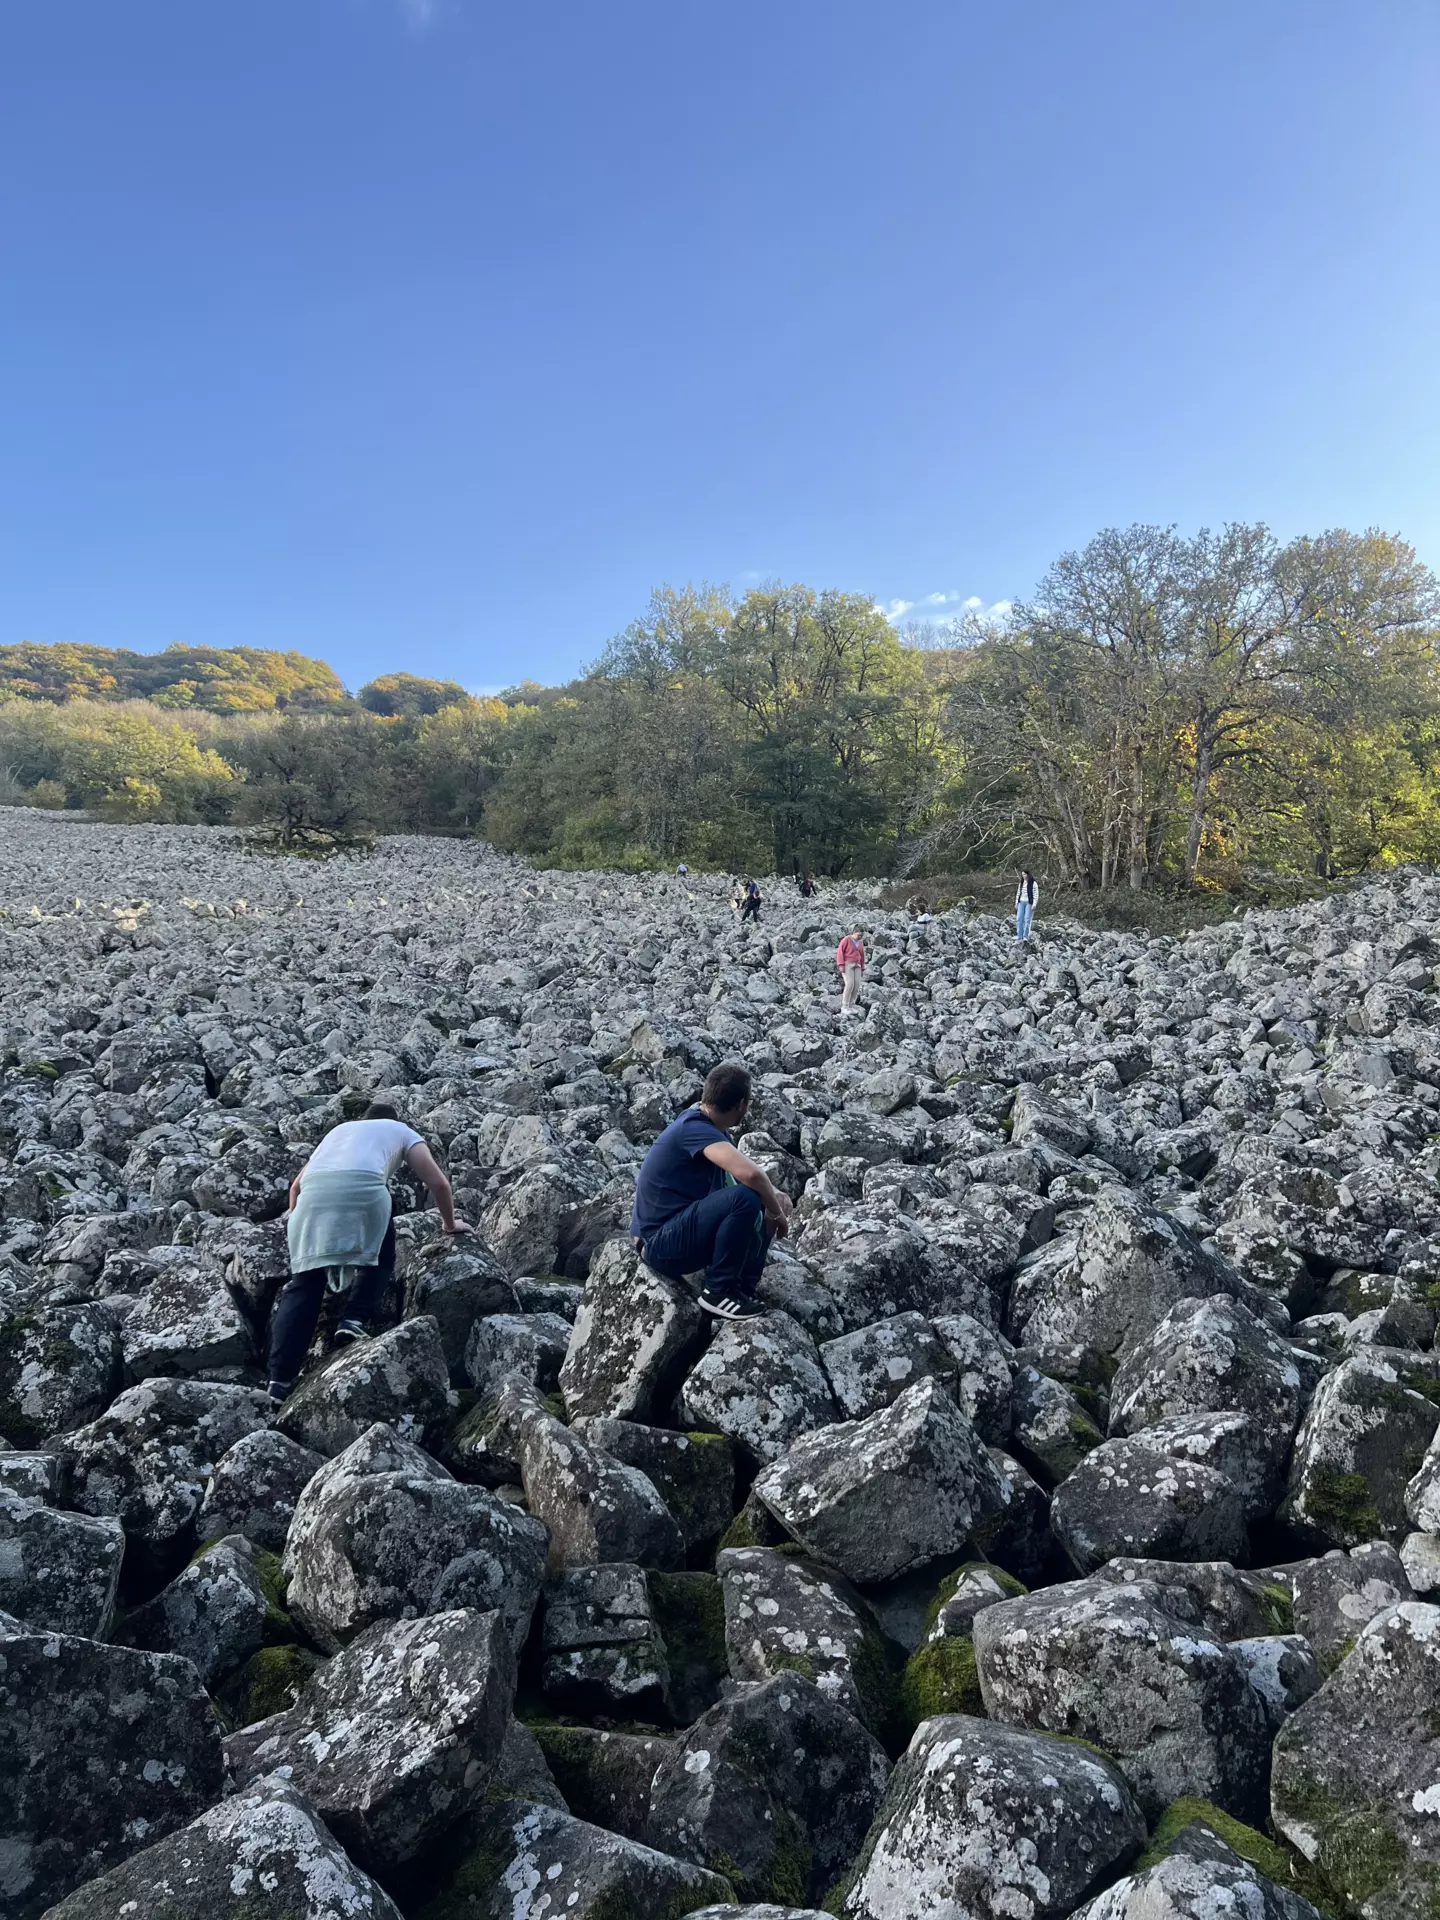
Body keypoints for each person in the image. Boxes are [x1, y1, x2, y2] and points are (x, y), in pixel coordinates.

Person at [266, 1101, 469, 1400]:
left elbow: (295, 1187)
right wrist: (450, 1224)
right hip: (364, 1188)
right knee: (381, 1258)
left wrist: (301, 1226)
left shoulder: (339, 1131)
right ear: (394, 1120)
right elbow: (438, 1183)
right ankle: (353, 1319)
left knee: (305, 1285)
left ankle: (278, 1381)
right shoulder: (402, 1130)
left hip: (312, 1197)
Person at [630, 1061, 792, 1320]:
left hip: (675, 1235)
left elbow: (747, 1176)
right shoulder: (693, 1127)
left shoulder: (712, 1130)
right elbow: (750, 1174)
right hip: (658, 1243)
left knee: (759, 1197)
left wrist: (774, 1197)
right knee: (745, 1198)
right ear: (742, 1104)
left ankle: (742, 1291)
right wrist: (777, 1212)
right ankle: (717, 1291)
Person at [837, 927, 865, 1012]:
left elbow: (862, 955)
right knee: (850, 983)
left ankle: (852, 1004)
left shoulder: (860, 942)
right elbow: (840, 951)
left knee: (856, 984)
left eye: (861, 936)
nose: (860, 937)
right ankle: (844, 1005)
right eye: (858, 935)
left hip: (857, 965)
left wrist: (862, 967)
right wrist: (841, 964)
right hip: (847, 964)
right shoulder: (846, 939)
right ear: (854, 932)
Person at [1016, 868, 1039, 941]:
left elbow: (1036, 894)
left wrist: (1034, 904)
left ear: (1028, 874)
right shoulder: (1021, 883)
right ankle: (1019, 935)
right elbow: (1018, 893)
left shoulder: (1033, 883)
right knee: (1019, 918)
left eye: (1025, 874)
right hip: (1021, 902)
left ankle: (1025, 936)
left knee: (1027, 919)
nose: (1023, 876)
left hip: (1029, 903)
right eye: (1022, 874)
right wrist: (1016, 902)